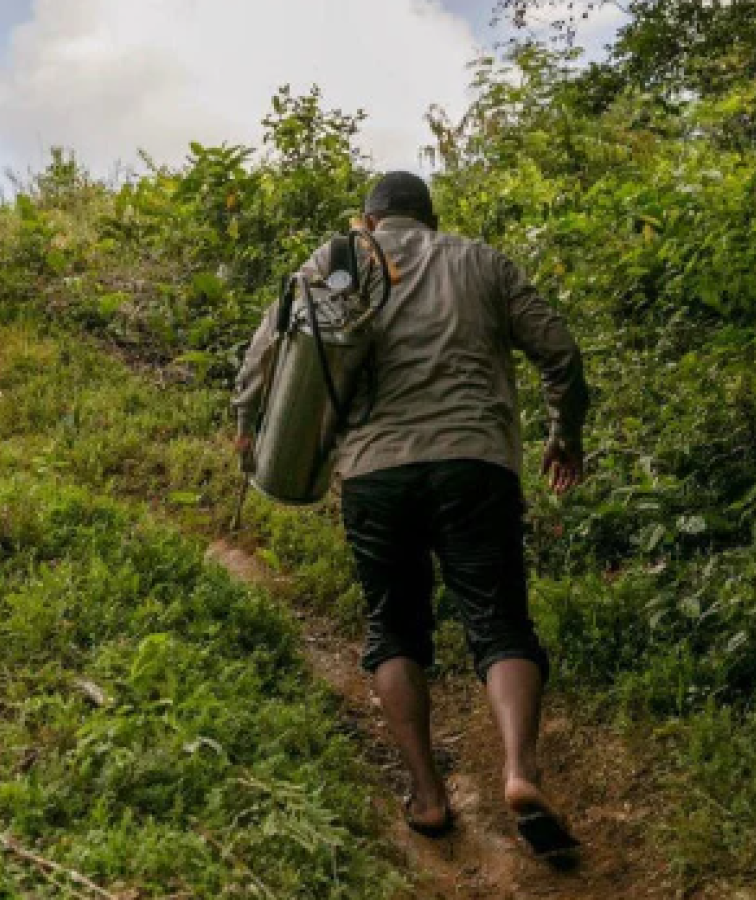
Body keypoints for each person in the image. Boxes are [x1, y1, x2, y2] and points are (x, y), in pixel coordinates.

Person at [233, 172, 590, 859]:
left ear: (368, 219)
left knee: (394, 626)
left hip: (374, 473)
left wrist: (247, 423)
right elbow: (561, 354)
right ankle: (520, 772)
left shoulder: (333, 261)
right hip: (475, 464)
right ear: (430, 217)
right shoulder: (481, 260)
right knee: (499, 621)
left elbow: (265, 350)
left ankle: (428, 796)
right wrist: (561, 432)